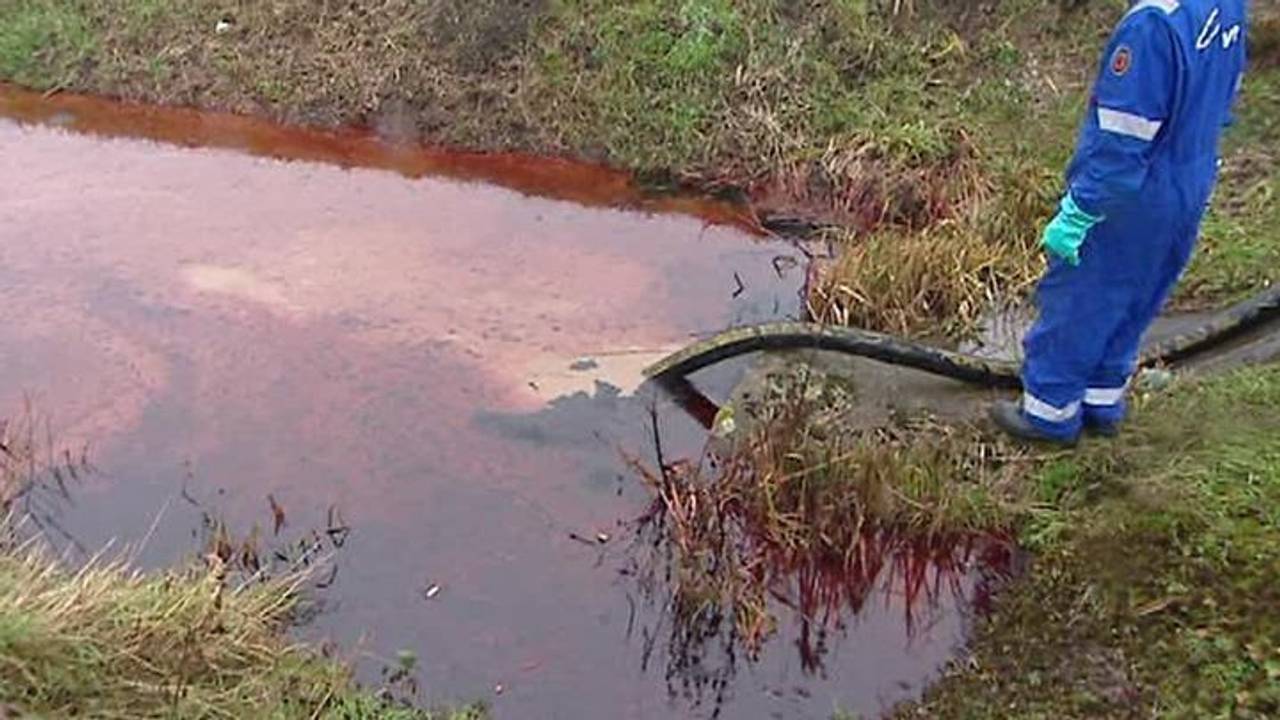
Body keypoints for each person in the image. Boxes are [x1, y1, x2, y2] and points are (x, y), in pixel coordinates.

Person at [990, 0, 1250, 445]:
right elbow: (1224, 93)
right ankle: (1102, 400)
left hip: (1136, 191)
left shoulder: (1151, 23)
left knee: (1083, 296)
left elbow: (1122, 138)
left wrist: (1081, 211)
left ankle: (1048, 415)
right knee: (1139, 294)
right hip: (1191, 175)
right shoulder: (1226, 6)